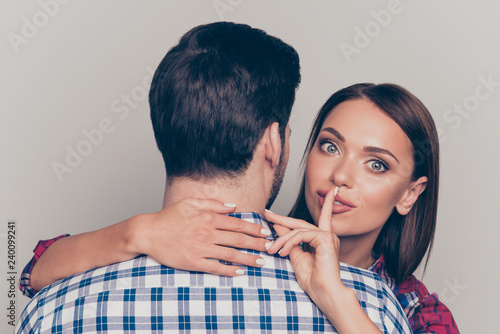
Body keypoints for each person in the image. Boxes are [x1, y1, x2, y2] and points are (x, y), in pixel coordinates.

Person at [15, 22, 411, 334]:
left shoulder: (50, 309)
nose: (341, 176)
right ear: (274, 141)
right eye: (328, 146)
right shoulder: (372, 308)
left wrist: (132, 234)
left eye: (377, 163)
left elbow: (23, 278)